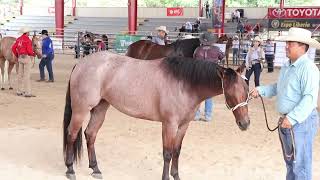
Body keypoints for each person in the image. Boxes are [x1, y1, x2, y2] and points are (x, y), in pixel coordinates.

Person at [250, 27, 320, 180]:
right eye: (287, 42)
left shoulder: (308, 68)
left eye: (291, 43)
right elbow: (278, 87)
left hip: (301, 122)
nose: (286, 46)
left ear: (303, 47)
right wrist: (261, 90)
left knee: (300, 164)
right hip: (289, 121)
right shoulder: (288, 66)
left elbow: (309, 98)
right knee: (290, 161)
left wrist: (292, 118)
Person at [193, 32, 224, 122]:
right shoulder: (216, 49)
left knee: (198, 95)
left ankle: (197, 114)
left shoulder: (197, 50)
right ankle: (208, 115)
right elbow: (222, 57)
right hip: (211, 74)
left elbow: (193, 59)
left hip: (199, 74)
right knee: (209, 95)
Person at [12, 27, 36, 97]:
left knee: (20, 75)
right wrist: (33, 54)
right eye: (29, 32)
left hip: (20, 58)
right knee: (27, 75)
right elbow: (29, 50)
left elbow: (13, 48)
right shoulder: (28, 40)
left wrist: (17, 55)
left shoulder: (18, 39)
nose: (29, 33)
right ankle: (27, 92)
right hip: (26, 58)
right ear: (27, 32)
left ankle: (19, 91)